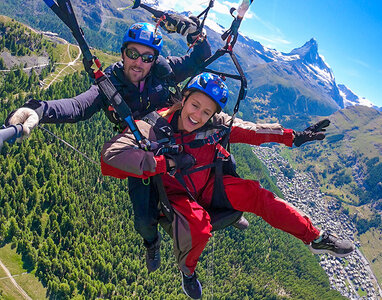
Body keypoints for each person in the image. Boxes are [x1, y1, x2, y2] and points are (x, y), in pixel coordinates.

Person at [100, 72, 355, 299]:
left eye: (206, 112)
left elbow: (253, 131)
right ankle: (188, 272)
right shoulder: (154, 127)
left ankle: (315, 238)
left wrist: (293, 137)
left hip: (211, 184)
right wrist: (164, 162)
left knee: (257, 195)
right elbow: (110, 157)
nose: (197, 115)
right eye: (195, 105)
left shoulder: (217, 125)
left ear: (213, 114)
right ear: (184, 99)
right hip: (177, 193)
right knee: (199, 228)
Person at [5, 20, 213, 272]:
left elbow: (199, 58)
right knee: (144, 220)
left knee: (215, 166)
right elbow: (77, 106)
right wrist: (37, 110)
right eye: (133, 54)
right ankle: (152, 242)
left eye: (147, 57)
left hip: (175, 138)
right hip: (140, 150)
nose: (139, 62)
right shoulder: (109, 83)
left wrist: (191, 33)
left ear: (154, 60)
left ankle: (229, 207)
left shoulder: (162, 71)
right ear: (123, 53)